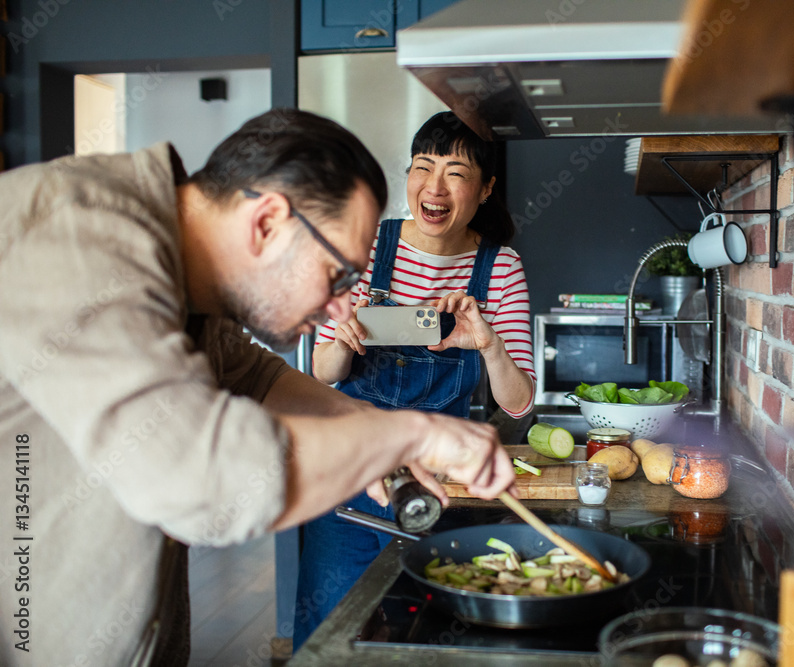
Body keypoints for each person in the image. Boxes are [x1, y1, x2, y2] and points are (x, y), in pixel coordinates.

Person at [0, 108, 516, 667]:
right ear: (267, 222)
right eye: (338, 276)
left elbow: (252, 373)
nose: (342, 309)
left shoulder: (183, 265)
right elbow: (196, 480)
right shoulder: (81, 238)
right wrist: (411, 435)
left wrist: (378, 429)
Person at [294, 111, 535, 648]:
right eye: (424, 167)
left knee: (422, 637)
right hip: (350, 480)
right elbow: (322, 373)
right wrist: (341, 340)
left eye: (456, 173)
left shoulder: (500, 268)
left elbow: (518, 404)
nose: (435, 186)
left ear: (486, 189)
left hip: (437, 489)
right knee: (330, 637)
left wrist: (489, 344)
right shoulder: (366, 247)